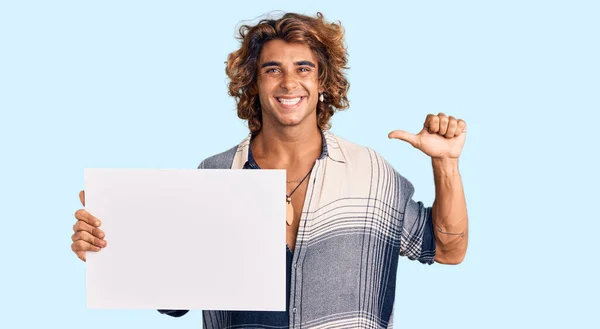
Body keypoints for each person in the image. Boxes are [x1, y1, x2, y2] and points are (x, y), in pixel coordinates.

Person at [71, 12, 469, 329]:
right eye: (273, 69)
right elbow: (174, 301)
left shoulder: (373, 174)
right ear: (254, 82)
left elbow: (449, 249)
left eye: (303, 68)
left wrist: (446, 164)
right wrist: (113, 251)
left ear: (323, 81)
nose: (289, 82)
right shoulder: (215, 177)